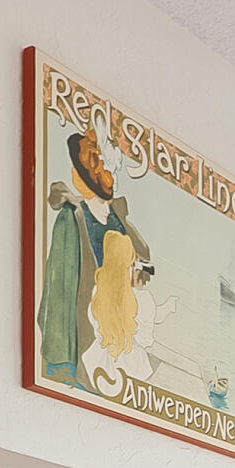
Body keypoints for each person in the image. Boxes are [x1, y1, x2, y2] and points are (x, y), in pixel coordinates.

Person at [33, 130, 150, 392]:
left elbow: (145, 259)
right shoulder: (74, 218)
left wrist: (138, 271)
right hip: (89, 326)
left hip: (121, 319)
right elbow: (60, 288)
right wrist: (63, 361)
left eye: (114, 166)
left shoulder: (117, 217)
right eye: (107, 166)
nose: (113, 175)